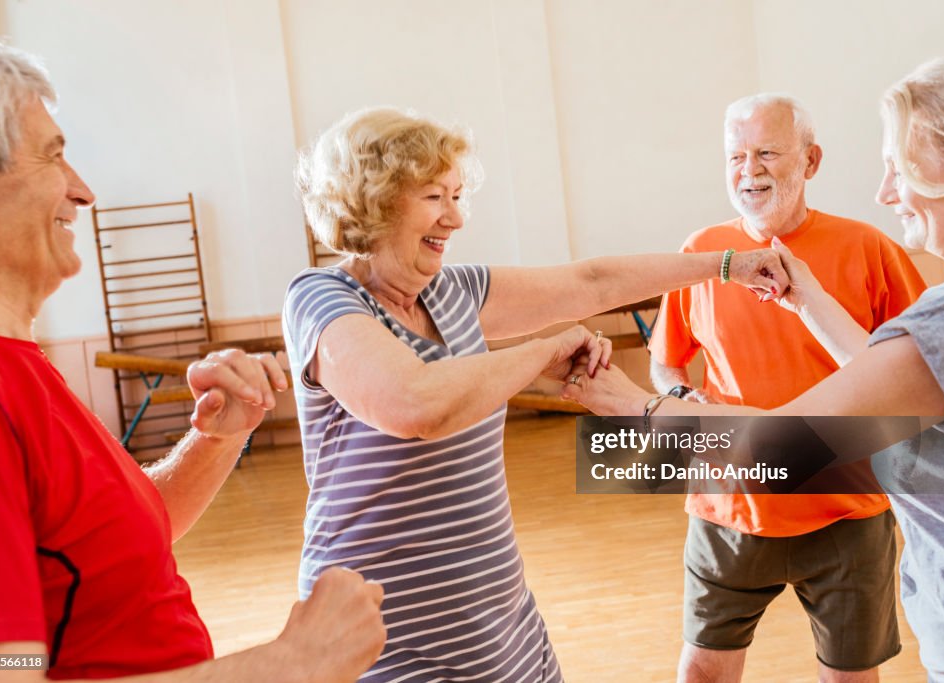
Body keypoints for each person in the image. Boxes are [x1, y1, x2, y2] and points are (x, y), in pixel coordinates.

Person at [284, 106, 790, 682]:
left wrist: (728, 265)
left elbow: (590, 282)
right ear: (373, 200)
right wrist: (540, 354)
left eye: (456, 196)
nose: (454, 217)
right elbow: (416, 404)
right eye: (433, 197)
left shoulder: (455, 290)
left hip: (496, 622)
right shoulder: (322, 299)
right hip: (381, 635)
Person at [0, 34, 385, 682]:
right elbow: (0, 675)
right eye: (55, 157)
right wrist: (293, 663)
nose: (83, 191)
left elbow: (105, 543)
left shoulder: (11, 365)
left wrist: (213, 441)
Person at [565, 51, 944, 683]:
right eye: (736, 157)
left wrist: (618, 403)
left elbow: (785, 445)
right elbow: (900, 374)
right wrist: (807, 296)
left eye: (902, 168)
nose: (885, 192)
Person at [645, 93, 926, 682]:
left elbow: (915, 376)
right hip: (729, 505)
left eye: (768, 152)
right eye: (736, 156)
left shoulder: (869, 249)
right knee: (701, 673)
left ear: (811, 160)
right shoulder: (700, 254)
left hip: (846, 509)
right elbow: (667, 366)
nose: (750, 171)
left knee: (849, 677)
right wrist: (677, 400)